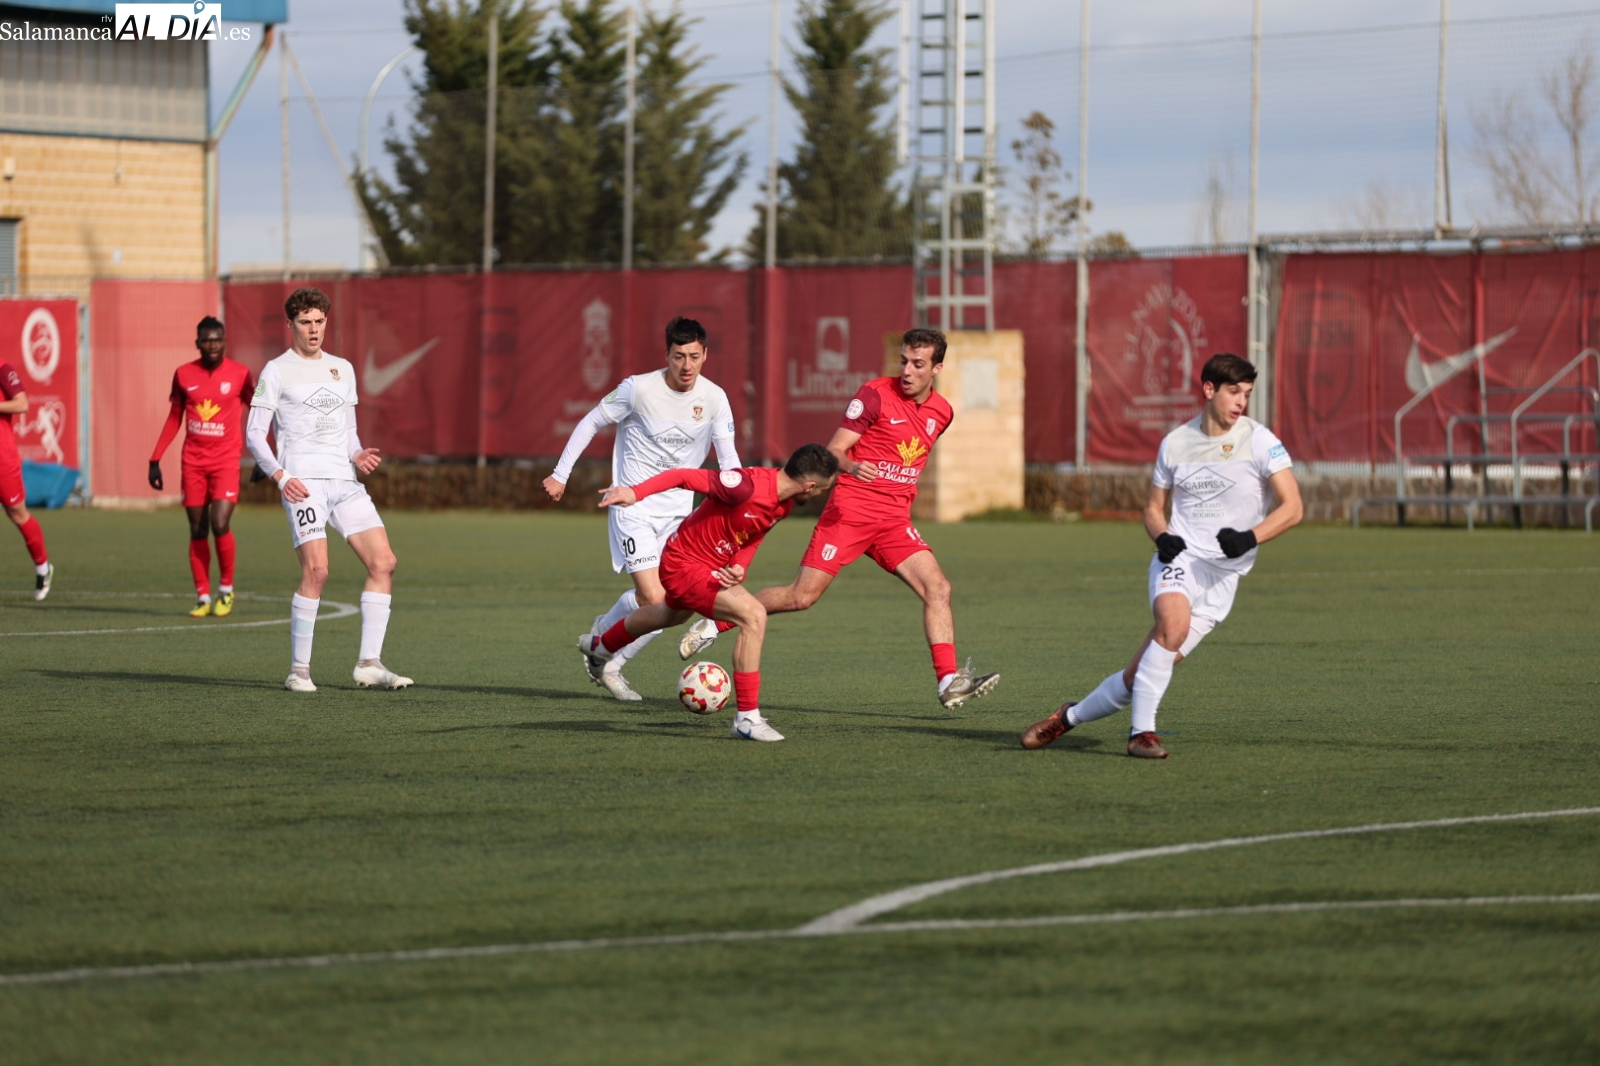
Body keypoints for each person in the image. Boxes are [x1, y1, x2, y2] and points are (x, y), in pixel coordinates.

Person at [680, 327, 999, 710]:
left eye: (918, 364)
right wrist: (853, 466)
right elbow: (834, 451)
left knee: (939, 589)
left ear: (937, 368)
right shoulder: (875, 395)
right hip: (850, 513)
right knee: (801, 596)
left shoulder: (942, 412)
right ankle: (716, 622)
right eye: (904, 361)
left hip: (894, 522)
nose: (907, 371)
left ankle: (948, 681)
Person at [1020, 352, 1303, 758]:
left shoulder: (1260, 440)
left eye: (1247, 393)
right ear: (1209, 389)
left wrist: (1249, 538)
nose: (1241, 402)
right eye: (1234, 392)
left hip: (1224, 578)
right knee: (1172, 626)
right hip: (1180, 560)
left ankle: (1068, 717)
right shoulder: (1175, 442)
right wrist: (1162, 536)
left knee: (1137, 677)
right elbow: (1153, 508)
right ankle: (1142, 735)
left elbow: (1293, 507)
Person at [579, 444, 840, 742]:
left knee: (668, 615)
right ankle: (747, 719)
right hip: (683, 564)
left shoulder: (783, 505)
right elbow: (682, 476)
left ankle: (600, 647)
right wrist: (635, 492)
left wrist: (739, 566)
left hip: (705, 567)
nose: (821, 495)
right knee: (753, 615)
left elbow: (752, 537)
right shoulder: (744, 486)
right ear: (809, 486)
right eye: (823, 489)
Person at [544, 317, 740, 702]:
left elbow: (729, 461)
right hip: (632, 506)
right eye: (679, 356)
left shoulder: (715, 398)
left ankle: (608, 655)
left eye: (694, 356)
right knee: (655, 598)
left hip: (681, 516)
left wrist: (739, 500)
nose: (687, 365)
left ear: (705, 355)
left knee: (673, 603)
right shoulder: (637, 389)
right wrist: (560, 474)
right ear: (666, 354)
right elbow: (591, 421)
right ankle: (606, 649)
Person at [245, 287, 411, 693]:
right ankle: (298, 671)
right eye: (305, 322)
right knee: (317, 571)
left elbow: (350, 432)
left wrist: (357, 454)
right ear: (291, 325)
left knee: (384, 563)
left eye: (319, 321)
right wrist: (281, 476)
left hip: (345, 483)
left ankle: (369, 664)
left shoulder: (343, 368)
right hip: (304, 486)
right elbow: (254, 434)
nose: (314, 329)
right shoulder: (276, 370)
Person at [148, 316, 255, 617]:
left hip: (225, 462)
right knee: (197, 528)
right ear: (197, 343)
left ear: (225, 341)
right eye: (207, 340)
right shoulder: (183, 374)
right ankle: (202, 596)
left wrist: (264, 456)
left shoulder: (240, 374)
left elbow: (258, 412)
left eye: (217, 339)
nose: (212, 345)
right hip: (193, 463)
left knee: (219, 522)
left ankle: (226, 589)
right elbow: (174, 417)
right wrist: (155, 458)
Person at [0, 359, 51, 600]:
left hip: (3, 459)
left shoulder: (2, 368)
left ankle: (43, 567)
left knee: (17, 514)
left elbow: (22, 404)